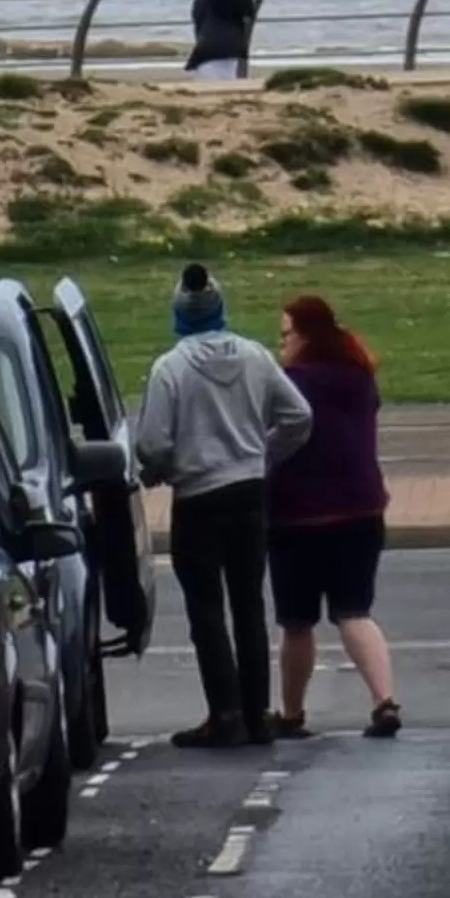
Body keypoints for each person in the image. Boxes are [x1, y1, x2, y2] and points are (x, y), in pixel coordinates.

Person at [134, 262, 312, 748]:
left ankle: (224, 713)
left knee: (207, 609)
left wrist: (162, 470)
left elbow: (151, 443)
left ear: (180, 313)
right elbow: (299, 415)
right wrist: (262, 454)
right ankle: (257, 714)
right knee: (250, 603)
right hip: (250, 490)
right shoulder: (255, 357)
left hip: (198, 496)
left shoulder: (170, 368)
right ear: (220, 308)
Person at [268, 295, 401, 741]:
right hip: (362, 509)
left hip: (297, 516)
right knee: (355, 612)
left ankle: (292, 713)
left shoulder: (291, 383)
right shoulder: (359, 375)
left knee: (297, 622)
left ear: (305, 336)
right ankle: (384, 701)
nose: (281, 345)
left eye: (285, 335)